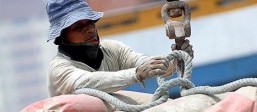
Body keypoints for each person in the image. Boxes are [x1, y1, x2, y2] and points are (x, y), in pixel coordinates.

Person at [46, 0, 193, 97]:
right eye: (78, 27)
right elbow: (88, 81)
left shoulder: (112, 49)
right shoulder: (59, 68)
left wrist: (176, 61)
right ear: (62, 38)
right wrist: (136, 74)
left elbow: (143, 63)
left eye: (90, 22)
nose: (90, 30)